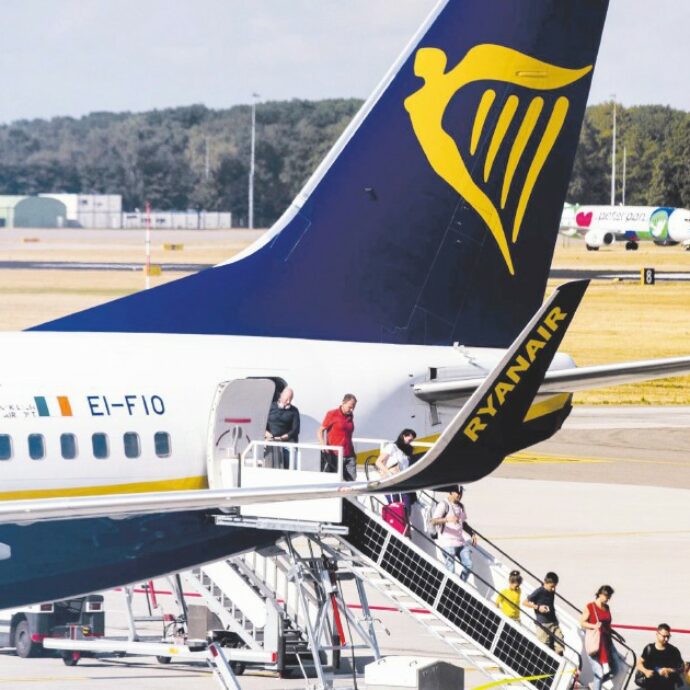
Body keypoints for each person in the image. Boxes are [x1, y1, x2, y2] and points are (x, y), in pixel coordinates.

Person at [580, 585, 624, 690]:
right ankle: (596, 685)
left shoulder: (607, 608)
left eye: (609, 597)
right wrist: (594, 626)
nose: (608, 599)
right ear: (600, 594)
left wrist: (616, 634)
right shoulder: (590, 606)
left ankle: (593, 685)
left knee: (615, 670)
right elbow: (582, 622)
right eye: (606, 596)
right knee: (599, 672)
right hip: (595, 644)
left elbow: (606, 626)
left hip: (607, 642)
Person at [431, 486, 477, 582]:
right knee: (450, 570)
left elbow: (463, 523)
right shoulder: (444, 505)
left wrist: (472, 533)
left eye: (461, 493)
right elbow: (433, 521)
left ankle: (459, 585)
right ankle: (449, 589)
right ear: (451, 492)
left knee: (469, 565)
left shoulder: (461, 506)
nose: (460, 495)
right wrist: (447, 519)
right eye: (457, 493)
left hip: (460, 542)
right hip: (447, 543)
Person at [318, 394, 357, 481]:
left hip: (349, 454)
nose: (351, 410)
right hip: (335, 455)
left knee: (351, 482)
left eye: (353, 407)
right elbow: (320, 431)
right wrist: (323, 445)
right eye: (350, 407)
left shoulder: (350, 416)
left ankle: (350, 495)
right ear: (343, 402)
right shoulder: (332, 414)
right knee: (334, 481)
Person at [375, 428, 417, 509]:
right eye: (410, 439)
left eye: (412, 440)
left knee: (407, 506)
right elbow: (378, 462)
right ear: (404, 436)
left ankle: (406, 521)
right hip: (391, 482)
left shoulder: (406, 451)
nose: (411, 442)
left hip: (402, 482)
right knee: (396, 507)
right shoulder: (392, 447)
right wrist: (388, 473)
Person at [524, 572, 564, 655]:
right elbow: (525, 602)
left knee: (560, 645)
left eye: (555, 586)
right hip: (543, 624)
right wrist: (538, 607)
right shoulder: (539, 591)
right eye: (552, 586)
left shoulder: (551, 590)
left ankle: (557, 662)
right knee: (544, 649)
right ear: (545, 583)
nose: (553, 589)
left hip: (554, 622)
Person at [635, 624, 684, 690]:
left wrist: (669, 670)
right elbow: (638, 664)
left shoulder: (673, 650)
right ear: (657, 634)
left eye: (668, 636)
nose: (666, 639)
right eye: (664, 636)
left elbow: (682, 668)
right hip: (651, 687)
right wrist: (645, 671)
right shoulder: (649, 649)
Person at [264, 387, 300, 469]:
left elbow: (295, 430)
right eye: (287, 399)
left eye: (290, 399)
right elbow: (261, 424)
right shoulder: (270, 407)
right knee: (269, 466)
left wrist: (281, 438)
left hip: (287, 443)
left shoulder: (294, 411)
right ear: (281, 396)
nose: (288, 402)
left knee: (290, 465)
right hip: (270, 442)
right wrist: (266, 434)